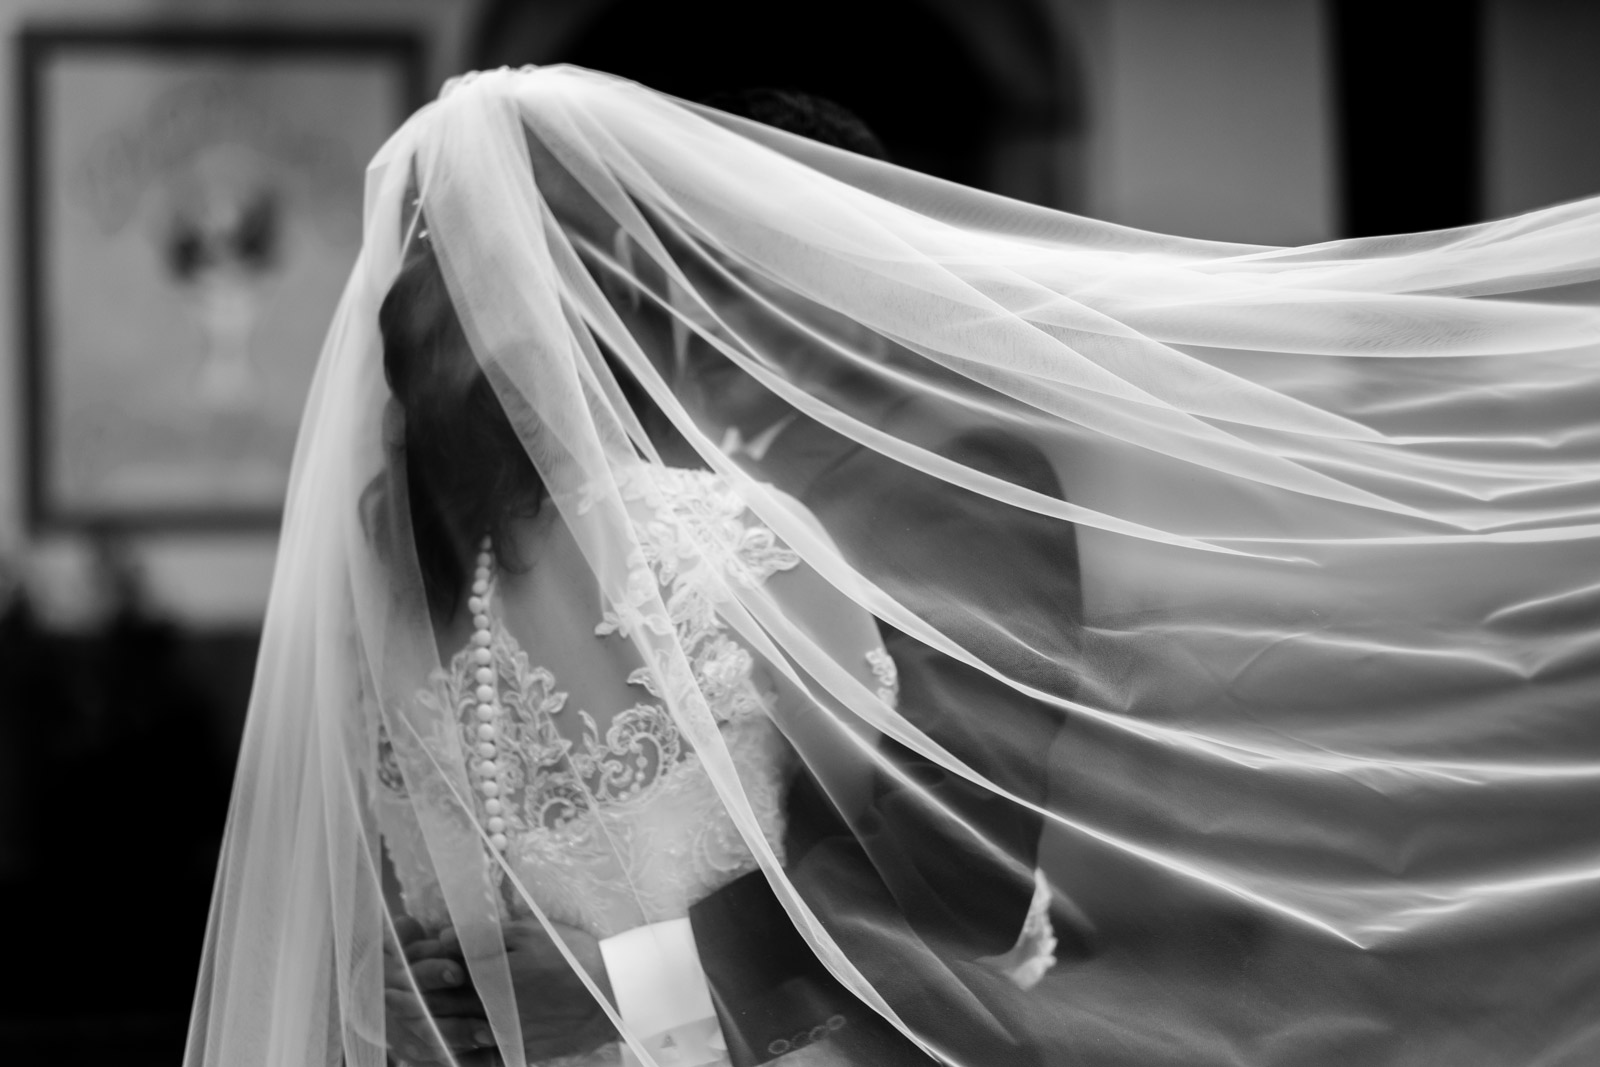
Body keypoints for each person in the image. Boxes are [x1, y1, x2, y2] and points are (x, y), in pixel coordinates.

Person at [187, 66, 1600, 1067]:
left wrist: (610, 983)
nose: (667, 310)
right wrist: (466, 993)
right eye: (647, 269)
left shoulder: (934, 492)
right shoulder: (452, 544)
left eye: (693, 266)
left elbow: (959, 893)